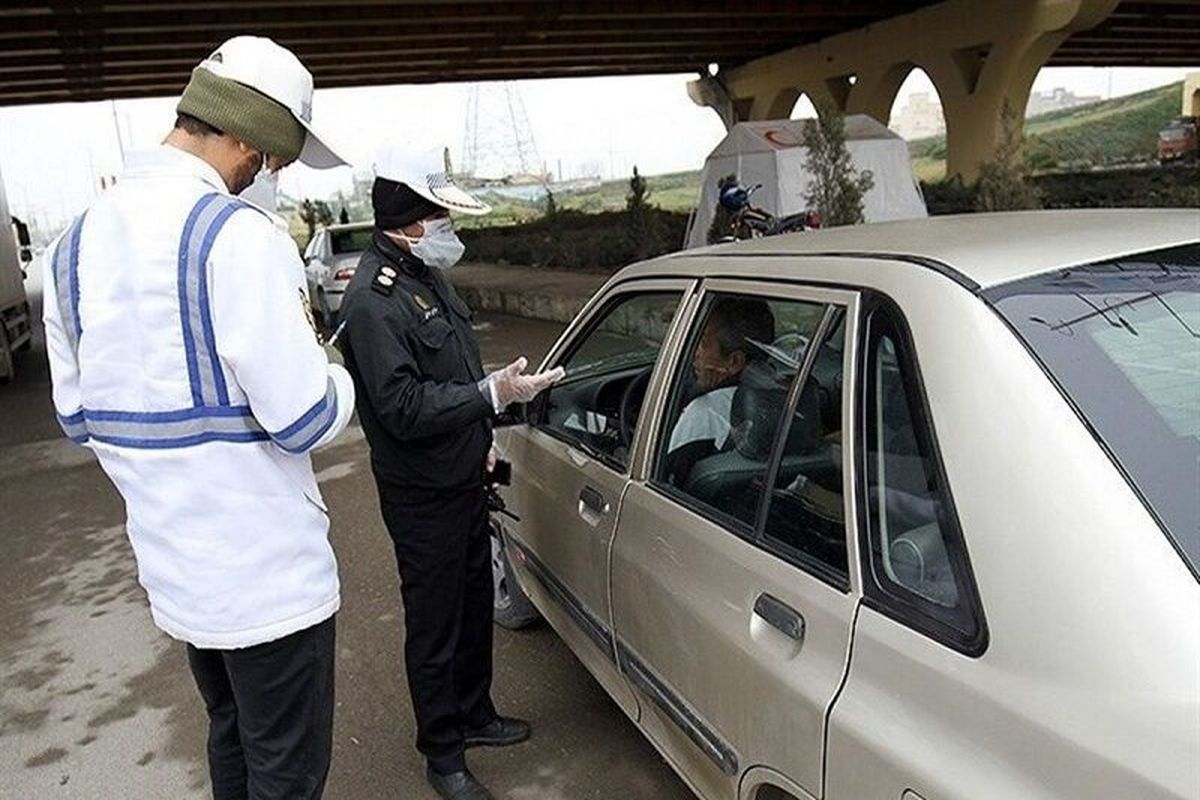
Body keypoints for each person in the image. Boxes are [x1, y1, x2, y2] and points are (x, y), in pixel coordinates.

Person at [42, 37, 354, 800]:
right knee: (287, 769)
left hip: (180, 578)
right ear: (244, 134)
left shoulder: (70, 246)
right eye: (275, 156)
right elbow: (307, 419)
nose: (271, 175)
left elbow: (77, 419)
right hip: (271, 586)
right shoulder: (237, 239)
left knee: (232, 740)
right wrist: (339, 376)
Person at [339, 143, 563, 800]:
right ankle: (443, 755)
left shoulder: (423, 277)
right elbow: (403, 406)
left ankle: (475, 713)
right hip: (421, 495)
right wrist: (491, 396)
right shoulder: (373, 301)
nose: (447, 228)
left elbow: (456, 370)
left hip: (463, 475)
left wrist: (483, 433)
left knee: (471, 608)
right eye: (437, 216)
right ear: (407, 219)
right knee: (435, 623)